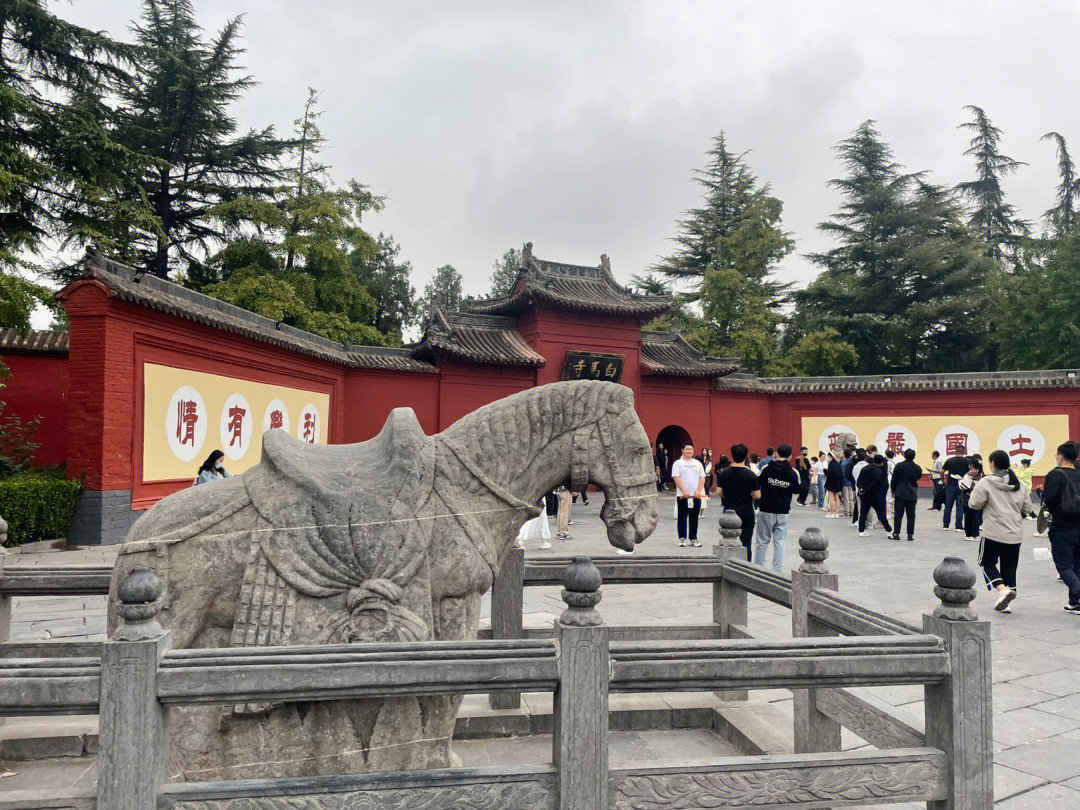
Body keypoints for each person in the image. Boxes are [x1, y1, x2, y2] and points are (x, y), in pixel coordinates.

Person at [969, 450, 1032, 613]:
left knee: (986, 562)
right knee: (1009, 567)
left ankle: (1002, 591)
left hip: (993, 532)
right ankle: (1006, 602)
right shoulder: (1020, 485)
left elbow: (974, 504)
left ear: (993, 464)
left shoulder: (986, 482)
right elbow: (1027, 508)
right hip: (1014, 533)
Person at [1043, 441, 1080, 613]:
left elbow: (1049, 500)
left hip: (1062, 525)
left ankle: (1078, 594)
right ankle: (1075, 602)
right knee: (1077, 565)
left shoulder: (1054, 475)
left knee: (1064, 566)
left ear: (1060, 456)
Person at [755, 444, 800, 572]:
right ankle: (778, 570)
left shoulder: (766, 468)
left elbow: (758, 483)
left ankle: (758, 568)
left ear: (776, 454)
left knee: (762, 541)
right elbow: (797, 490)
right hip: (783, 511)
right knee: (780, 542)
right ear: (790, 456)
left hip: (766, 508)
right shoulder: (792, 472)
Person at [716, 443, 760, 561]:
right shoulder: (751, 475)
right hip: (746, 511)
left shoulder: (725, 473)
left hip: (729, 512)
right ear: (746, 457)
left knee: (728, 542)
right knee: (746, 543)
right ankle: (746, 567)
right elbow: (757, 494)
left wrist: (727, 497)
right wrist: (749, 497)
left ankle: (728, 564)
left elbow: (718, 491)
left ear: (732, 456)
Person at [672, 442, 707, 548]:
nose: (689, 451)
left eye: (691, 449)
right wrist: (684, 491)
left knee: (694, 518)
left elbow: (702, 477)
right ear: (682, 450)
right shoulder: (678, 463)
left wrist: (698, 491)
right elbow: (676, 477)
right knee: (682, 517)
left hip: (696, 496)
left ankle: (693, 538)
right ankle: (682, 538)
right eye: (687, 449)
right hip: (682, 496)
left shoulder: (697, 463)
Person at [890, 448, 923, 541]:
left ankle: (896, 533)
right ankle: (910, 535)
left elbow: (894, 479)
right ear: (914, 456)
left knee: (898, 514)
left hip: (900, 492)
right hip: (912, 493)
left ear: (904, 455)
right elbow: (918, 477)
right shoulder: (917, 468)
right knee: (911, 515)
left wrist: (893, 490)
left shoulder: (899, 466)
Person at [857, 455, 892, 536]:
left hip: (865, 495)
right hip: (877, 496)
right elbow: (884, 485)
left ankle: (861, 531)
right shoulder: (881, 472)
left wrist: (861, 488)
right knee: (881, 515)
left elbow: (859, 480)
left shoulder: (865, 468)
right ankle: (889, 530)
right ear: (882, 462)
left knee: (863, 513)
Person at [941, 445, 969, 531]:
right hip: (962, 486)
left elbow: (942, 471)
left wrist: (943, 480)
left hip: (950, 485)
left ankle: (946, 525)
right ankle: (958, 526)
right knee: (960, 506)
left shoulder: (949, 461)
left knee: (948, 506)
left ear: (955, 451)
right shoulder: (967, 461)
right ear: (964, 452)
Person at [958, 458, 984, 542]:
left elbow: (963, 486)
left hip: (968, 497)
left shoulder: (969, 474)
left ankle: (968, 534)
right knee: (976, 516)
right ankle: (975, 534)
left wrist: (960, 480)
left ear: (971, 465)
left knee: (968, 516)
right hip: (978, 497)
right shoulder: (981, 474)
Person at [850, 448, 868, 526]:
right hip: (868, 488)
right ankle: (868, 523)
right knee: (867, 507)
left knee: (859, 505)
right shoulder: (868, 466)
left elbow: (853, 476)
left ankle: (860, 522)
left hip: (858, 487)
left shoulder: (855, 467)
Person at [824, 450, 844, 518]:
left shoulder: (831, 464)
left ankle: (831, 513)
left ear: (831, 456)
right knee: (837, 498)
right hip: (838, 483)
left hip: (831, 483)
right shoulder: (838, 464)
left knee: (831, 498)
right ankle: (836, 513)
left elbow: (829, 474)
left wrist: (825, 471)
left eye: (829, 456)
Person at [841, 448, 856, 517]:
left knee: (846, 498)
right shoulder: (851, 462)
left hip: (845, 482)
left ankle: (846, 511)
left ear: (844, 454)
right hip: (851, 481)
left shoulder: (843, 463)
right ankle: (852, 511)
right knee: (851, 498)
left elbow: (842, 474)